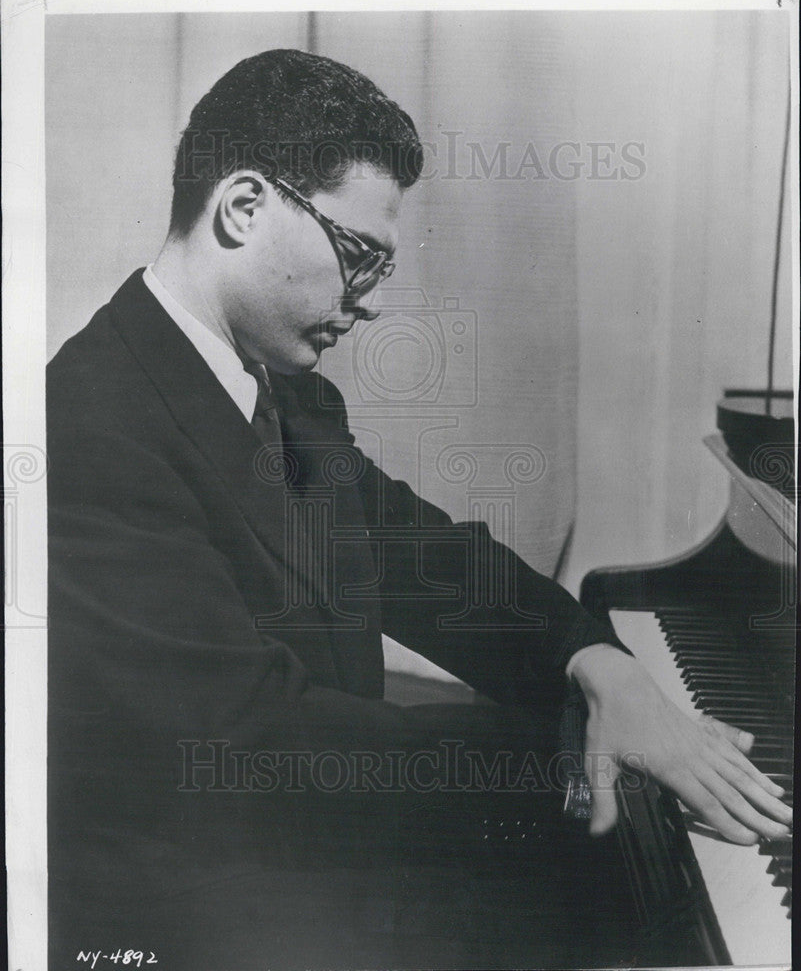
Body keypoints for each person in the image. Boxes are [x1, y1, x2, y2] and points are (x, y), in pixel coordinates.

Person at [47, 49, 791, 969]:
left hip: (307, 849)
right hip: (192, 906)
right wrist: (578, 752)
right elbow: (246, 739)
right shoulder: (86, 423)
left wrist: (596, 664)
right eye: (356, 256)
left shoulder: (281, 386)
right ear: (243, 207)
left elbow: (420, 554)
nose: (367, 305)